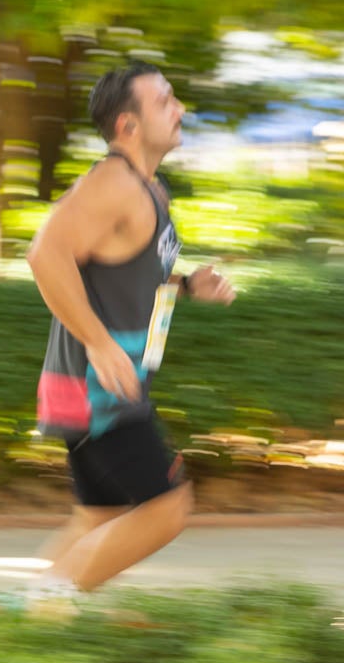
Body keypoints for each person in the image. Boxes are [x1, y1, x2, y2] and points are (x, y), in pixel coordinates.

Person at [25, 62, 236, 597]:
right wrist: (98, 343)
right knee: (166, 509)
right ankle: (43, 606)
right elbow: (45, 255)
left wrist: (187, 286)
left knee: (99, 520)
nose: (180, 108)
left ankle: (19, 624)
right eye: (165, 101)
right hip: (96, 384)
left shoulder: (151, 189)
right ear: (128, 126)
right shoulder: (112, 182)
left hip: (108, 381)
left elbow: (140, 276)